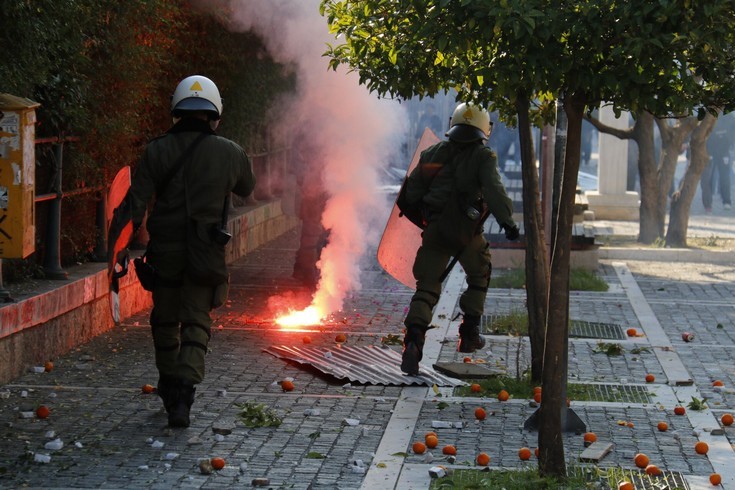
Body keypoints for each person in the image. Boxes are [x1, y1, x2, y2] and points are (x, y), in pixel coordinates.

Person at [128, 75, 256, 427]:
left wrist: (115, 254)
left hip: (164, 252)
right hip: (206, 253)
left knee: (165, 320)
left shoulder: (155, 150)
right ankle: (185, 392)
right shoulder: (230, 152)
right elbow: (247, 186)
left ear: (176, 109)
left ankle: (169, 386)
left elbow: (133, 206)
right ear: (214, 112)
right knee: (197, 321)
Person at [400, 102, 520, 376]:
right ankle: (469, 333)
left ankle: (414, 342)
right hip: (467, 234)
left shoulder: (431, 153)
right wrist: (508, 223)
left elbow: (410, 194)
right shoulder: (483, 157)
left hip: (435, 230)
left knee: (427, 287)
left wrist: (426, 221)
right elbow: (494, 191)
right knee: (480, 273)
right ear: (482, 130)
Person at [701, 113, 734, 212]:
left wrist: (730, 143)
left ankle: (726, 201)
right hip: (709, 151)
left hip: (724, 151)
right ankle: (708, 204)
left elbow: (733, 132)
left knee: (725, 177)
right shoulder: (707, 115)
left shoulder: (729, 117)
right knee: (708, 178)